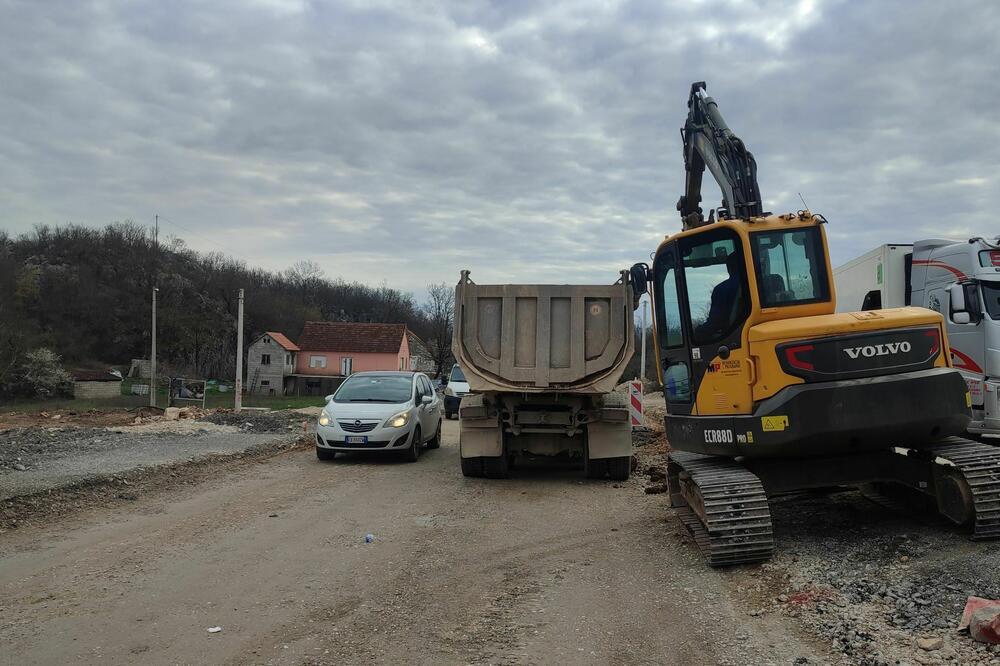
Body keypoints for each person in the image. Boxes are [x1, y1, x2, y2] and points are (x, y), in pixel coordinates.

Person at [697, 253, 742, 340]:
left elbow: (715, 322)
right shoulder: (761, 285)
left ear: (729, 268)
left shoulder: (722, 289)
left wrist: (700, 330)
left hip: (731, 337)